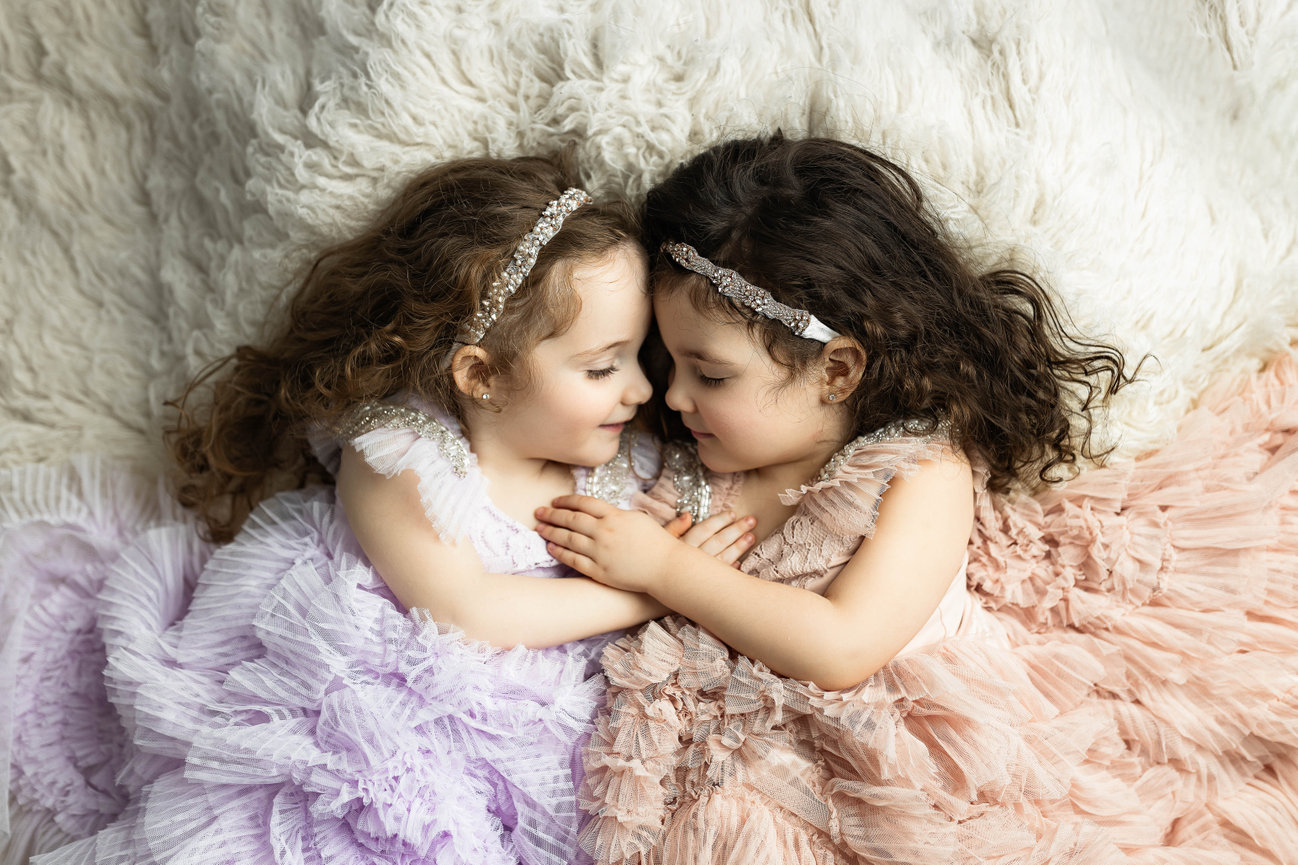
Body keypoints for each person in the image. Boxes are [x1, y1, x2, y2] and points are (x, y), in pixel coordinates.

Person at [537, 135, 1298, 863]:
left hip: (919, 783)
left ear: (836, 370)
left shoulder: (916, 470)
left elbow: (841, 646)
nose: (674, 394)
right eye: (669, 361)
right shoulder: (700, 470)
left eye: (711, 375)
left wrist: (665, 571)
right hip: (743, 785)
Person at [0, 153, 753, 865]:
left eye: (637, 354)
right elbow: (468, 610)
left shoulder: (630, 465)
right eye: (601, 366)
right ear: (481, 374)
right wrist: (655, 586)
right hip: (365, 709)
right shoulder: (406, 454)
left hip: (537, 750)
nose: (642, 389)